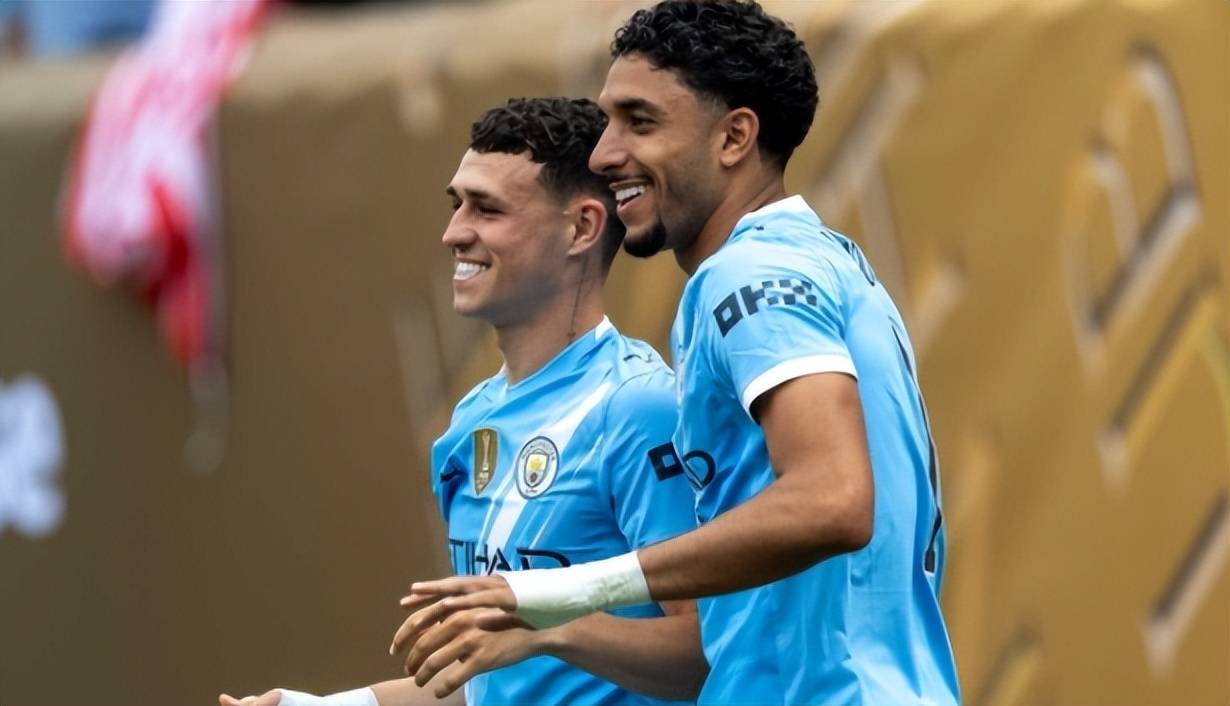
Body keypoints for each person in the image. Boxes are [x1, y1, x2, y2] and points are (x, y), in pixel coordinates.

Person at [396, 2, 961, 705]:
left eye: (640, 122)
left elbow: (834, 499)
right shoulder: (824, 262)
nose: (604, 155)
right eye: (608, 122)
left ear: (734, 137)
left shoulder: (747, 274)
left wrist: (562, 594)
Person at [219, 97, 706, 706]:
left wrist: (548, 630)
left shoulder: (638, 409)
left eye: (487, 208)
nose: (454, 233)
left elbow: (708, 651)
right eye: (457, 205)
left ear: (582, 228)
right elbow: (487, 683)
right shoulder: (472, 418)